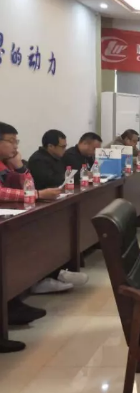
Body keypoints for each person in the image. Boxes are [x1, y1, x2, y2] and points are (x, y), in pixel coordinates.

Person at [0, 122, 75, 353]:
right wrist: (37, 194)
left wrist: (20, 167)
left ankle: (12, 306)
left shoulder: (6, 164)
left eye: (17, 141)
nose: (15, 146)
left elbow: (27, 185)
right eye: (11, 141)